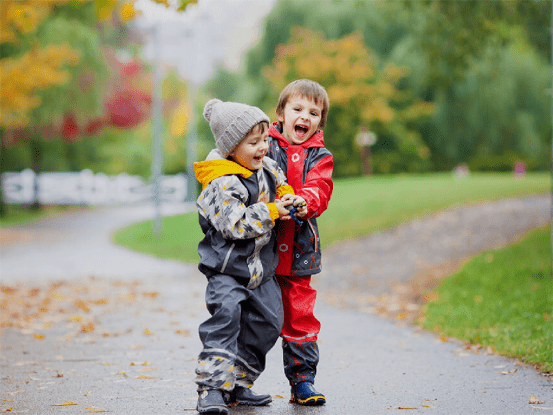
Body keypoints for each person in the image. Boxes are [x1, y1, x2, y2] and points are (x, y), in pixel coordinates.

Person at [193, 98, 307, 415]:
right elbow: (234, 224)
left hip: (260, 271)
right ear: (231, 147)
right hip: (226, 271)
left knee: (270, 322)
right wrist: (272, 211)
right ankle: (212, 388)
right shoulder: (220, 182)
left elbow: (280, 184)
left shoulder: (265, 167)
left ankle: (238, 383)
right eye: (253, 142)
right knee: (225, 322)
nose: (263, 148)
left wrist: (289, 199)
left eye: (265, 139)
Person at [266, 79, 334, 406]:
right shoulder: (264, 145)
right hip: (261, 254)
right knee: (252, 316)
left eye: (314, 112)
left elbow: (320, 188)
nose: (304, 117)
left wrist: (305, 201)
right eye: (297, 109)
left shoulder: (320, 156)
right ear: (281, 113)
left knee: (300, 318)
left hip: (299, 256)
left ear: (320, 121)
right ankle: (235, 378)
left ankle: (303, 380)